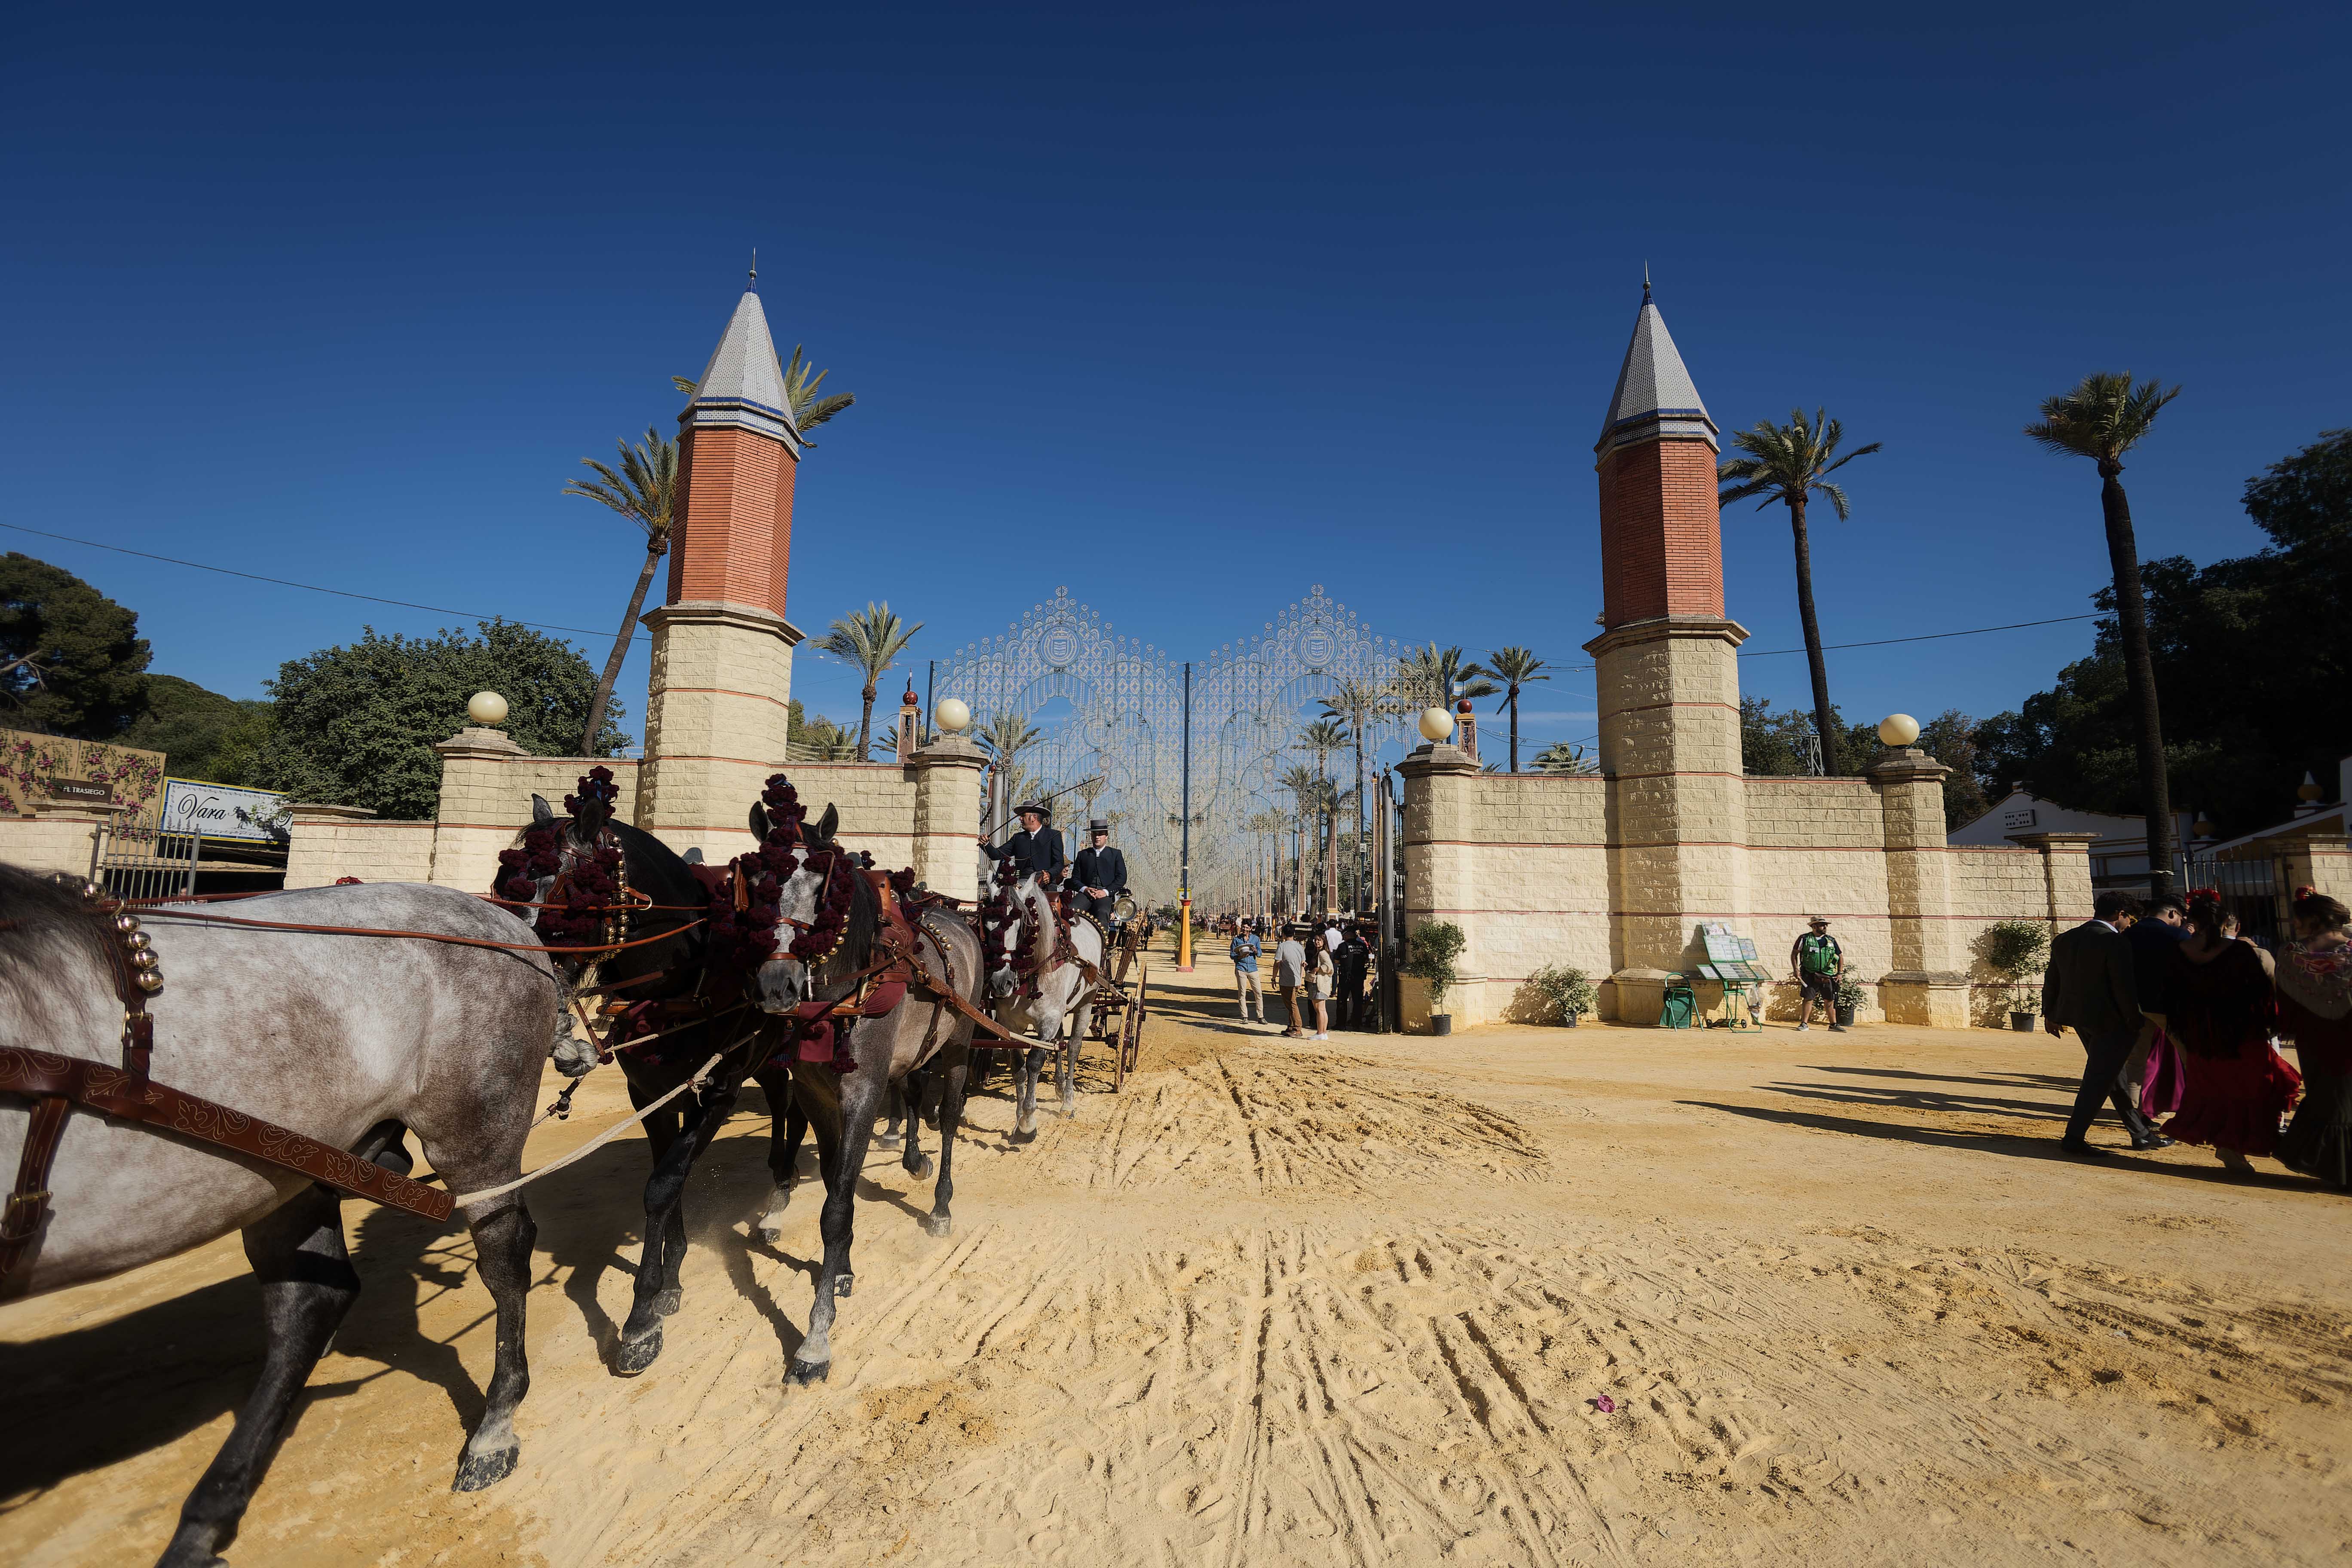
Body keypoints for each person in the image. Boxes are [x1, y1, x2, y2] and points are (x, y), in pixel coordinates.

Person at [2164, 890, 2300, 1170]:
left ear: (2195, 923)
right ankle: (2233, 1147)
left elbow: (2172, 996)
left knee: (2213, 1088)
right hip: (2240, 1032)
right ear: (2225, 923)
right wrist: (2271, 1024)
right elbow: (2261, 994)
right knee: (2250, 1087)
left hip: (2200, 1033)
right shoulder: (2240, 951)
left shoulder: (2180, 951)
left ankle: (2228, 1147)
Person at [2042, 889, 2162, 1156]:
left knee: (2112, 1076)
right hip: (2112, 1022)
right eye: (2130, 919)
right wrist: (2134, 1020)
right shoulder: (2114, 942)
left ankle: (2140, 1134)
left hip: (2079, 1019)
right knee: (2099, 1080)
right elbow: (2123, 988)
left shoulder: (2065, 938)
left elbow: (2053, 979)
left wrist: (2050, 1013)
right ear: (2120, 914)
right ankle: (2074, 1138)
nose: (2129, 925)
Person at [2276, 886, 2352, 1191]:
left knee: (2328, 1096)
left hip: (2315, 1036)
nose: (2295, 924)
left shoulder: (2292, 954)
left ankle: (2336, 1169)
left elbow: (2285, 1001)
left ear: (2314, 920)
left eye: (2298, 919)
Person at [2124, 892, 2191, 1089]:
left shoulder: (2128, 934)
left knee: (2136, 1063)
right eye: (2181, 918)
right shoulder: (2178, 936)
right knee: (2190, 1059)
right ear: (2172, 913)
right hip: (2170, 1006)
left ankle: (2132, 1107)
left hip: (2136, 1005)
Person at [980, 802, 1067, 886]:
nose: (1020, 819)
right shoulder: (1018, 838)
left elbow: (1059, 862)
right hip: (1023, 884)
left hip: (1046, 885)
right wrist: (986, 844)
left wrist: (1050, 874)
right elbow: (996, 855)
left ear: (1034, 818)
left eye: (1023, 815)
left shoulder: (1054, 835)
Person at [1790, 916, 1845, 1032]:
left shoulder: (1831, 940)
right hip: (1810, 974)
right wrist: (1796, 970)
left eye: (1826, 925)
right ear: (1814, 927)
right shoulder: (1805, 939)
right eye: (1822, 925)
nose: (1825, 927)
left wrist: (1840, 973)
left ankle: (1833, 1025)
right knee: (1808, 998)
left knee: (1830, 1000)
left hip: (1828, 975)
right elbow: (1794, 954)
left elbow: (1840, 956)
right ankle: (1804, 1024)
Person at [1071, 818, 1127, 925]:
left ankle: (1103, 937)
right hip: (1085, 895)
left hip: (1105, 896)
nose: (1097, 837)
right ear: (1091, 836)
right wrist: (1085, 889)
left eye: (1100, 834)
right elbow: (1075, 879)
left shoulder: (1115, 854)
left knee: (1102, 912)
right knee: (1071, 910)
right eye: (1094, 834)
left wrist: (1106, 892)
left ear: (1106, 836)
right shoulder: (1083, 855)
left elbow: (1122, 878)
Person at [1274, 925, 1308, 1038]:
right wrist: (1301, 978)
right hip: (1297, 980)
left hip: (1286, 981)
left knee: (1292, 1004)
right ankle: (1292, 1027)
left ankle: (1298, 1028)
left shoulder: (1282, 946)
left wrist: (1274, 978)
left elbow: (1277, 964)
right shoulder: (1299, 946)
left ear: (1283, 934)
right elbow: (1303, 964)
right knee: (1291, 1003)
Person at [1335, 923, 1371, 1029]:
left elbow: (1336, 961)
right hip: (1359, 977)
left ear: (1346, 936)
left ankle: (1341, 1024)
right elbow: (1366, 960)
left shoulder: (1342, 946)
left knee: (1342, 1001)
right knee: (1358, 1002)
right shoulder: (1363, 946)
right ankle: (1357, 1025)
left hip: (1345, 977)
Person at [1230, 920, 1265, 1025]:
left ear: (1250, 928)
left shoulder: (1256, 939)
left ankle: (1261, 1017)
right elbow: (1232, 955)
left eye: (1247, 928)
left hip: (1253, 969)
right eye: (1243, 927)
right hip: (1241, 968)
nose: (1245, 929)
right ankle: (1245, 1017)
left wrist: (1256, 951)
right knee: (1242, 993)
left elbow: (1260, 954)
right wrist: (1240, 956)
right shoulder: (1237, 940)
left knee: (1258, 993)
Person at [1308, 934, 1335, 1040]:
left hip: (1319, 985)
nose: (1317, 942)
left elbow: (1330, 967)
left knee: (1319, 1010)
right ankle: (1323, 1033)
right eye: (1315, 940)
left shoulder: (1322, 953)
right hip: (1322, 984)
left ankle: (1320, 1033)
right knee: (1322, 1010)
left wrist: (1317, 969)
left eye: (1319, 940)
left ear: (1324, 941)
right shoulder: (1319, 952)